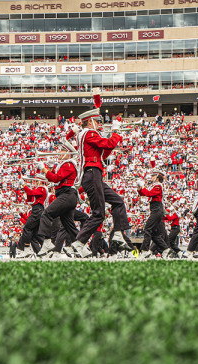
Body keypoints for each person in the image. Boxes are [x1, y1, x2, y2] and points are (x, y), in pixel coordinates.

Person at [66, 89, 131, 257]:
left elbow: (103, 153)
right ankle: (79, 242)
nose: (100, 124)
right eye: (97, 121)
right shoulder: (89, 133)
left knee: (118, 201)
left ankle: (118, 233)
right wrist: (115, 132)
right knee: (98, 214)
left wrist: (112, 138)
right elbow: (108, 144)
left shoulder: (84, 134)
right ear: (90, 122)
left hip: (94, 174)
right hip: (93, 173)